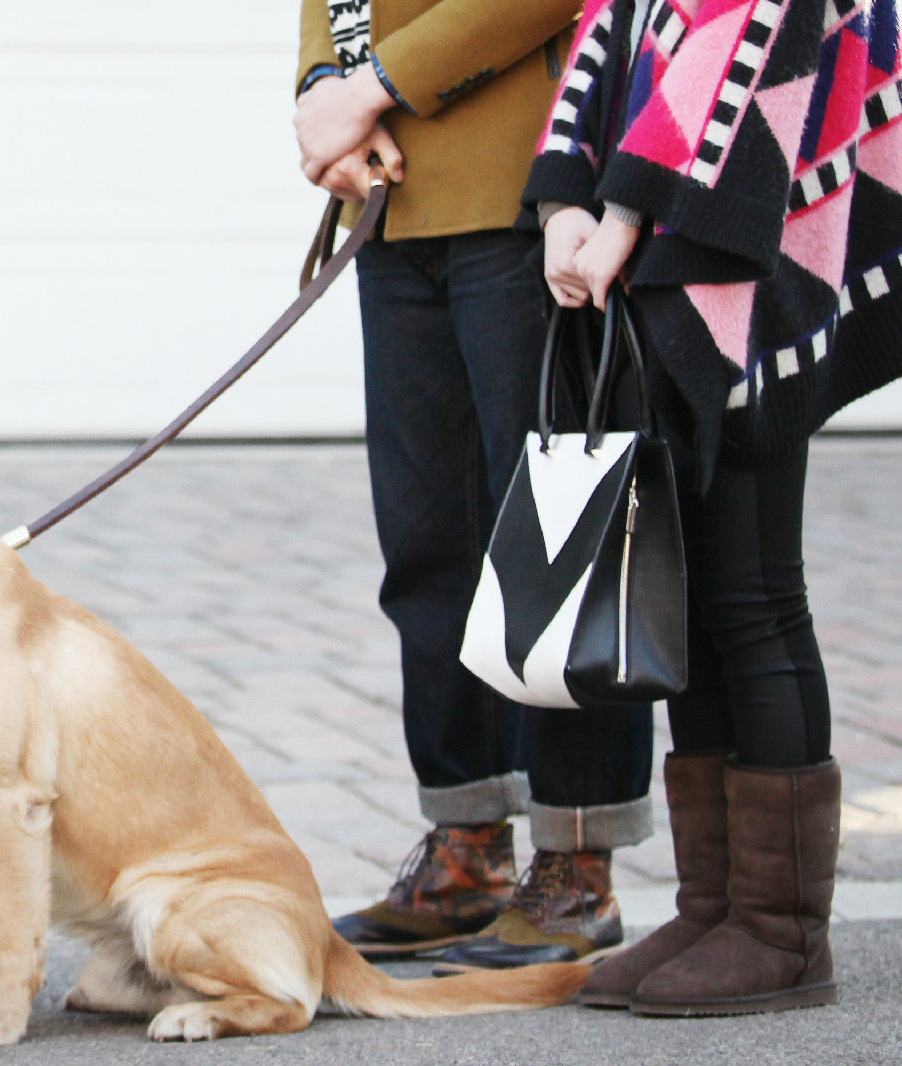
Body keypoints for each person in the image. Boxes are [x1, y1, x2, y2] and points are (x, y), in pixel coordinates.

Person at [526, 0, 902, 1015]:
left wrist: (625, 216)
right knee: (694, 602)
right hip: (654, 253)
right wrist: (567, 196)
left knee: (754, 593)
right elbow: (616, 31)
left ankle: (782, 934)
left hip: (751, 262)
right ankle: (714, 905)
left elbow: (755, 50)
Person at [292, 0, 657, 972]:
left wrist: (367, 87)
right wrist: (322, 96)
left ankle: (576, 860)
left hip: (529, 192)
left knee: (551, 533)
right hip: (393, 198)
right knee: (425, 542)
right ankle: (467, 843)